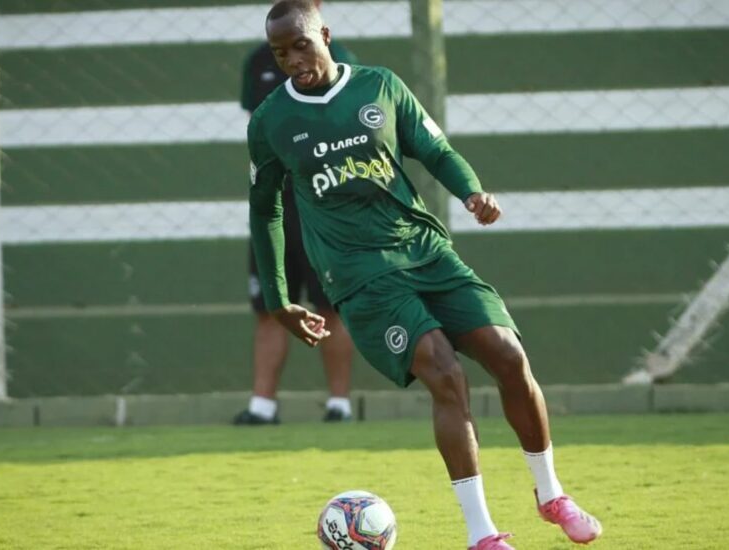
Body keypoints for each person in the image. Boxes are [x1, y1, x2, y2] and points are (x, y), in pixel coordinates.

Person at [248, 1, 603, 548]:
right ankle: (482, 534)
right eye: (280, 53)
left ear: (325, 34)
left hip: (426, 251)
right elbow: (266, 209)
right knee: (443, 370)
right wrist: (278, 299)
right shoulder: (271, 120)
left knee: (508, 355)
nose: (293, 60)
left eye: (301, 45)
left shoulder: (379, 87)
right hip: (360, 276)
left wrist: (472, 191)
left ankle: (550, 493)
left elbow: (435, 150)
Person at [233, 0, 358, 425]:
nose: (292, 60)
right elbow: (260, 133)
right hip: (277, 204)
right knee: (271, 304)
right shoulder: (259, 62)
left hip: (326, 204)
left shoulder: (342, 58)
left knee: (332, 305)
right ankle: (262, 407)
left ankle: (339, 405)